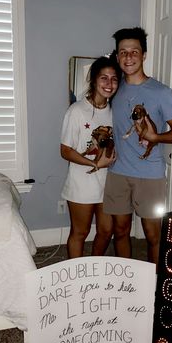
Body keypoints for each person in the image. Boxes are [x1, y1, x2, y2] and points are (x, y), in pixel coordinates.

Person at [103, 27, 172, 270]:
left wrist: (156, 137)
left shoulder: (161, 92)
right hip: (117, 173)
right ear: (117, 56)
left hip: (150, 175)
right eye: (123, 52)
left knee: (153, 235)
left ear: (144, 55)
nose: (128, 57)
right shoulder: (114, 89)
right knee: (120, 232)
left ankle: (155, 285)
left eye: (134, 52)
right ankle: (126, 282)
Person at [60, 54, 121, 258]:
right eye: (104, 78)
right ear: (94, 80)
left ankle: (93, 270)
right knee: (80, 232)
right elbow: (65, 150)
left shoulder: (115, 111)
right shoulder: (77, 111)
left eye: (114, 79)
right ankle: (76, 278)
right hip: (81, 182)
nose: (109, 83)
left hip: (107, 184)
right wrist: (95, 163)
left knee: (106, 230)